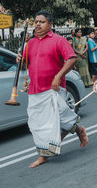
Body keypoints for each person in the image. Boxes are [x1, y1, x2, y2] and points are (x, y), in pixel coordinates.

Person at [17, 11, 88, 168]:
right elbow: (25, 62)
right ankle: (77, 129)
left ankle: (44, 155)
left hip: (53, 89)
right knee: (36, 124)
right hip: (35, 90)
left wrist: (58, 76)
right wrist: (20, 59)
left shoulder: (59, 40)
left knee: (52, 123)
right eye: (36, 21)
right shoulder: (30, 43)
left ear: (50, 25)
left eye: (41, 22)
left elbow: (72, 58)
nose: (37, 24)